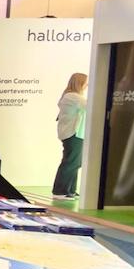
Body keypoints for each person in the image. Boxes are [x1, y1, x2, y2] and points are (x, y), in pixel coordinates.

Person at [51, 72, 88, 200]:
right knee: (71, 161)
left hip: (75, 133)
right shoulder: (73, 97)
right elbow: (89, 106)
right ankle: (60, 191)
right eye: (85, 83)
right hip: (72, 133)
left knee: (75, 162)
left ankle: (70, 189)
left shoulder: (71, 96)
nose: (87, 86)